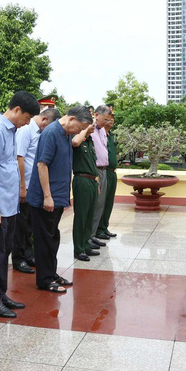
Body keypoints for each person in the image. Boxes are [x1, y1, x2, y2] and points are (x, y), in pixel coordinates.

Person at [0, 91, 39, 318]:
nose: (27, 123)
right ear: (16, 110)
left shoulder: (10, 131)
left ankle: (1, 294)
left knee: (4, 252)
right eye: (27, 117)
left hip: (9, 205)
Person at [27, 106, 92, 292]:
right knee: (44, 240)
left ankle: (51, 272)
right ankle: (45, 279)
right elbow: (42, 165)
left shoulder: (66, 134)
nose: (79, 132)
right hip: (45, 199)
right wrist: (47, 196)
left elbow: (77, 142)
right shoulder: (51, 133)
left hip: (58, 197)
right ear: (71, 119)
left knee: (52, 237)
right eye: (79, 127)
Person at [13, 99, 60, 274]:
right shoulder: (26, 130)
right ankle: (18, 259)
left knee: (30, 224)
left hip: (34, 186)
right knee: (21, 224)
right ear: (45, 120)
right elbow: (20, 158)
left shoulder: (39, 132)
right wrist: (22, 186)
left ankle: (28, 254)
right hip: (24, 185)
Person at [72, 116, 99, 262]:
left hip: (92, 181)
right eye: (90, 124)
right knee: (81, 216)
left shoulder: (90, 142)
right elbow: (75, 142)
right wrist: (86, 130)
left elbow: (93, 164)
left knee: (90, 215)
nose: (93, 126)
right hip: (81, 180)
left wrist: (97, 182)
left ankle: (86, 243)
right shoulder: (78, 139)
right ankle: (78, 248)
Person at [89, 105, 113, 248]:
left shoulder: (102, 130)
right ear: (96, 115)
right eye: (105, 119)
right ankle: (88, 236)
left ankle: (93, 234)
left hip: (104, 170)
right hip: (94, 170)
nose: (106, 122)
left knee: (100, 204)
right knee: (94, 204)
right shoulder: (90, 129)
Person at [96, 105, 118, 239]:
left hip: (111, 172)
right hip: (103, 171)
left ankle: (104, 227)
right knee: (101, 202)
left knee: (109, 201)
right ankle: (98, 229)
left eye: (112, 119)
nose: (111, 121)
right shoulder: (98, 132)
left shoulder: (110, 135)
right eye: (108, 118)